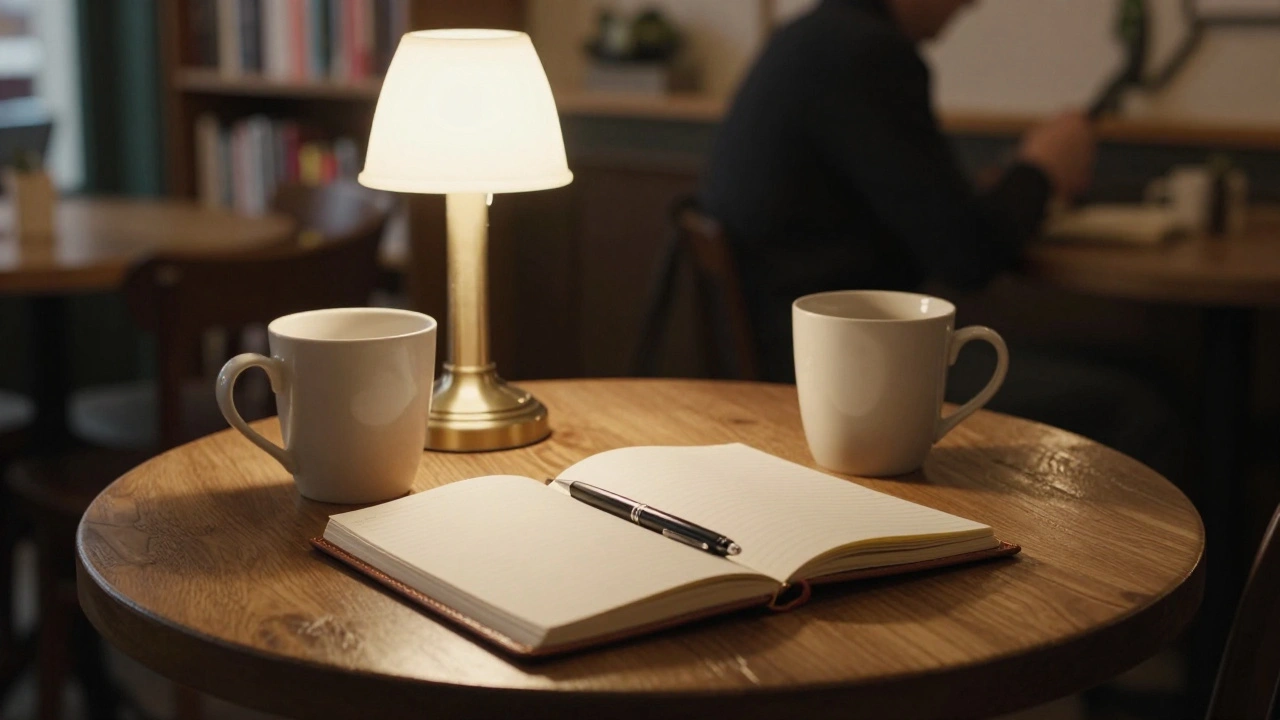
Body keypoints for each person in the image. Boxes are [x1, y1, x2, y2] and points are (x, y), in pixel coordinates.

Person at [700, 0, 1182, 478]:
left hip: (809, 356)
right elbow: (968, 255)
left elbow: (935, 218)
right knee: (1137, 406)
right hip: (842, 375)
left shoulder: (812, 38)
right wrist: (1043, 169)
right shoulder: (865, 54)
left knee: (1151, 371)